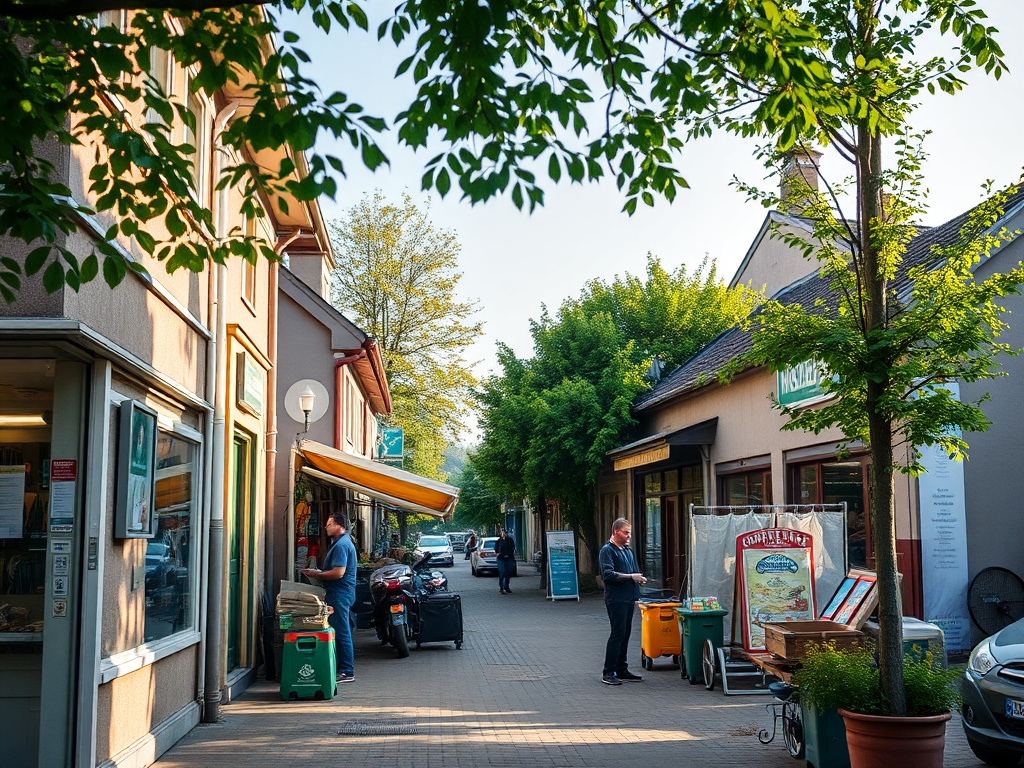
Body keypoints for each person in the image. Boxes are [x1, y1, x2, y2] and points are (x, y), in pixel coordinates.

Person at [301, 512, 358, 683]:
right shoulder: (344, 542)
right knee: (342, 630)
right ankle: (344, 668)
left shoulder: (341, 545)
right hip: (343, 592)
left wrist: (318, 574)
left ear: (339, 526)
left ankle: (347, 671)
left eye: (329, 524)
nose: (326, 528)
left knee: (342, 632)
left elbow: (338, 572)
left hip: (339, 593)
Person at [598, 517, 647, 685]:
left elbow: (633, 571)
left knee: (625, 633)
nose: (628, 537)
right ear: (616, 531)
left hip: (628, 598)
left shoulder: (627, 551)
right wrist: (631, 577)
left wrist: (638, 579)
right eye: (626, 533)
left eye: (630, 533)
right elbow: (608, 575)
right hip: (616, 599)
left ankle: (621, 669)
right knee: (617, 633)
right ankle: (608, 672)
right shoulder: (607, 550)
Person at [494, 528, 516, 594]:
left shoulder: (510, 540)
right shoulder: (498, 541)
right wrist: (499, 554)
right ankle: (501, 587)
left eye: (504, 532)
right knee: (502, 571)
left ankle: (506, 586)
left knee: (508, 572)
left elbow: (512, 548)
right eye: (502, 532)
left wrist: (510, 554)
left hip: (509, 558)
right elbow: (496, 550)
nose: (503, 534)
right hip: (501, 559)